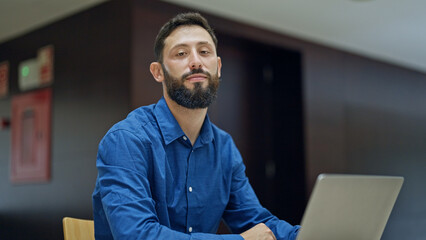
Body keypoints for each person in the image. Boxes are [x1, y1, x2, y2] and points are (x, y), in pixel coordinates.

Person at [92, 12, 300, 240]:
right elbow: (137, 235)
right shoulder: (126, 140)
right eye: (181, 53)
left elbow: (256, 221)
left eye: (204, 52)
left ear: (218, 67)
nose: (196, 61)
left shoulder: (224, 148)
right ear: (158, 72)